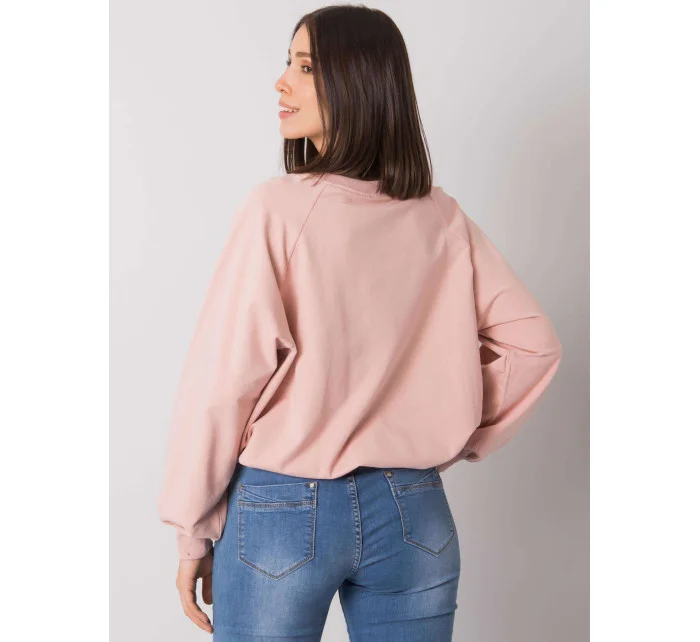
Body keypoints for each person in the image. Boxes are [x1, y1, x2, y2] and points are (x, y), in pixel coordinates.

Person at [157, 5, 563, 641]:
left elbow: (224, 381)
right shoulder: (440, 218)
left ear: (357, 81)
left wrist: (192, 531)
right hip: (413, 509)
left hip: (283, 507)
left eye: (305, 67)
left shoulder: (279, 210)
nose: (281, 82)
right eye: (288, 63)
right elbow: (532, 345)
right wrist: (448, 425)